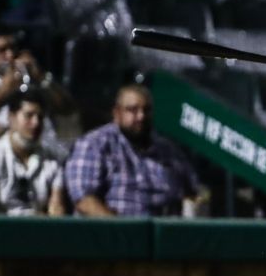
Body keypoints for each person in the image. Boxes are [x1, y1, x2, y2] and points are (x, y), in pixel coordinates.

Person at [65, 84, 199, 217]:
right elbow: (84, 200)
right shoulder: (95, 144)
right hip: (111, 227)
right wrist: (121, 227)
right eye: (132, 110)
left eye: (146, 110)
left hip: (163, 226)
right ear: (117, 113)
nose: (141, 116)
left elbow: (193, 192)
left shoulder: (168, 151)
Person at [0, 25, 73, 140]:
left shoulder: (27, 71)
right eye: (2, 50)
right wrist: (2, 94)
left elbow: (67, 110)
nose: (10, 55)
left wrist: (41, 77)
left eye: (13, 48)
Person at [0, 89, 65, 216]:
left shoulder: (52, 159)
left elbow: (56, 210)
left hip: (40, 227)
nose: (36, 123)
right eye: (29, 116)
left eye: (40, 117)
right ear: (11, 117)